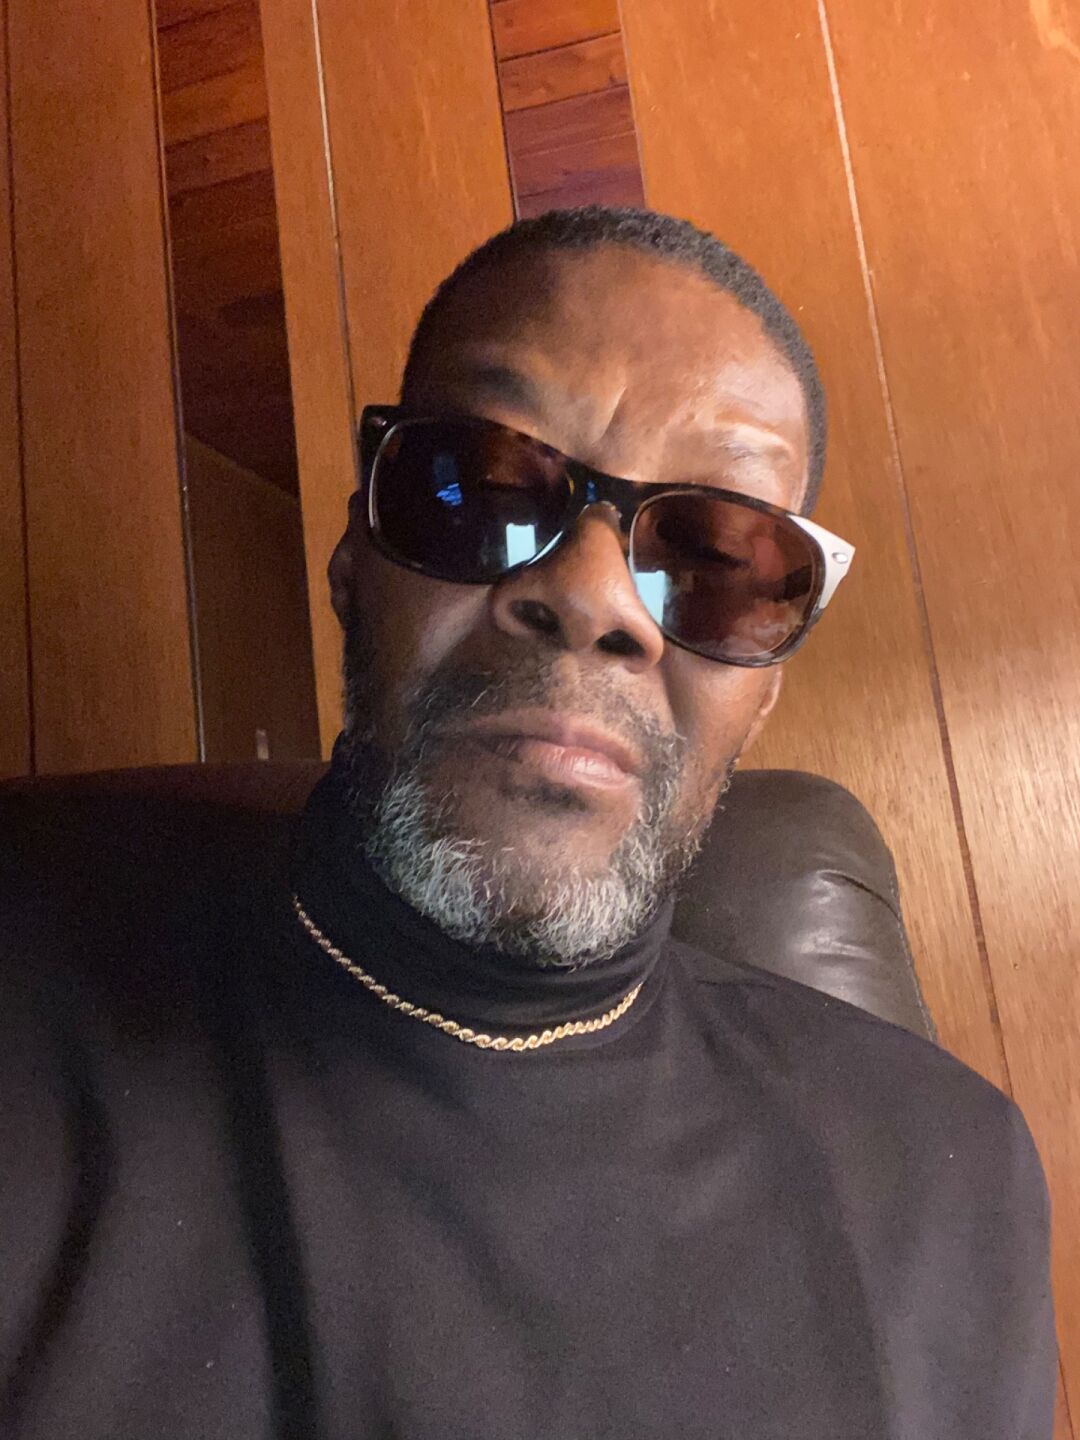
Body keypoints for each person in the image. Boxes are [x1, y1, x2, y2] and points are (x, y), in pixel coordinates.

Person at [0, 207, 1055, 1438]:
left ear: (763, 690)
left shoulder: (943, 1174)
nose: (594, 597)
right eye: (482, 491)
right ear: (354, 565)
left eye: (719, 560)